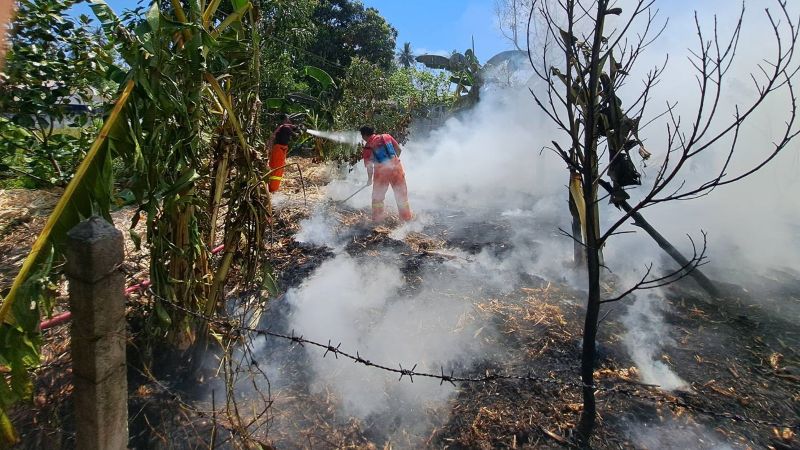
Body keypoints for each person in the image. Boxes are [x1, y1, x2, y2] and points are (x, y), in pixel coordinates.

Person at [359, 125, 412, 222]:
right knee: (401, 195)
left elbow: (370, 167)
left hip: (381, 173)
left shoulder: (367, 148)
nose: (362, 138)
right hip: (397, 169)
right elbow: (399, 150)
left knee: (377, 198)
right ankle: (406, 219)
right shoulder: (386, 137)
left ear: (365, 135)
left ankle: (377, 220)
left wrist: (369, 179)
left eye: (362, 136)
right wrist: (393, 162)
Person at [268, 114, 300, 192]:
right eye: (288, 119)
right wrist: (300, 131)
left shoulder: (282, 127)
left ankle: (270, 186)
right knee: (278, 169)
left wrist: (297, 127)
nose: (290, 121)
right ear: (286, 120)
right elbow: (295, 136)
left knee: (274, 167)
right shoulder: (285, 127)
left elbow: (291, 127)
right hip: (280, 149)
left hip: (278, 149)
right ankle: (272, 188)